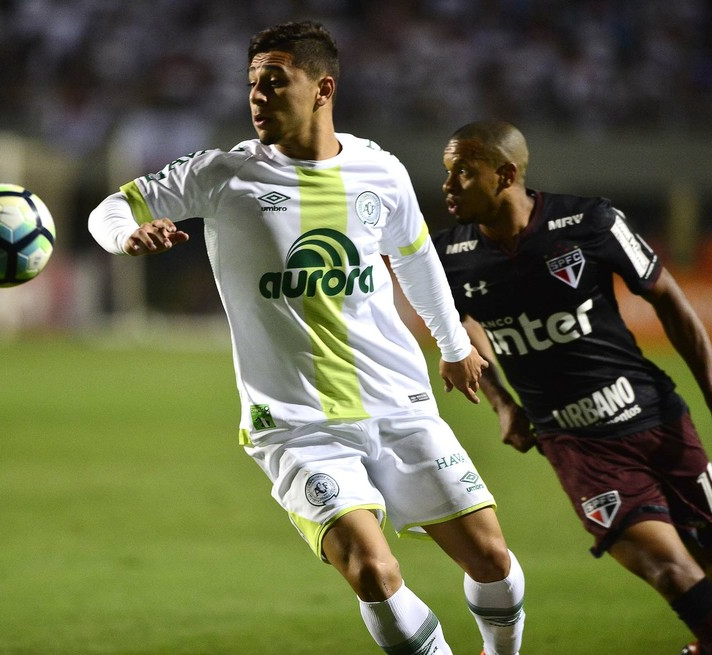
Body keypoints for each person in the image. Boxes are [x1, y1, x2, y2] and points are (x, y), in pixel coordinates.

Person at [89, 21, 525, 655]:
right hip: (294, 421)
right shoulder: (222, 172)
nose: (258, 96)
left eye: (274, 81)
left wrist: (454, 346)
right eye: (252, 84)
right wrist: (126, 236)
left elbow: (418, 261)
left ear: (322, 88)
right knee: (373, 572)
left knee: (490, 557)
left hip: (397, 403)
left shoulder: (381, 170)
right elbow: (113, 207)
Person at [433, 119, 712, 655]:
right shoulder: (446, 257)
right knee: (669, 571)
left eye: (463, 173)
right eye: (448, 173)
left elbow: (669, 299)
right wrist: (502, 405)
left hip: (657, 421)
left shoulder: (589, 222)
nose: (448, 185)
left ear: (506, 174)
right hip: (578, 447)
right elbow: (453, 337)